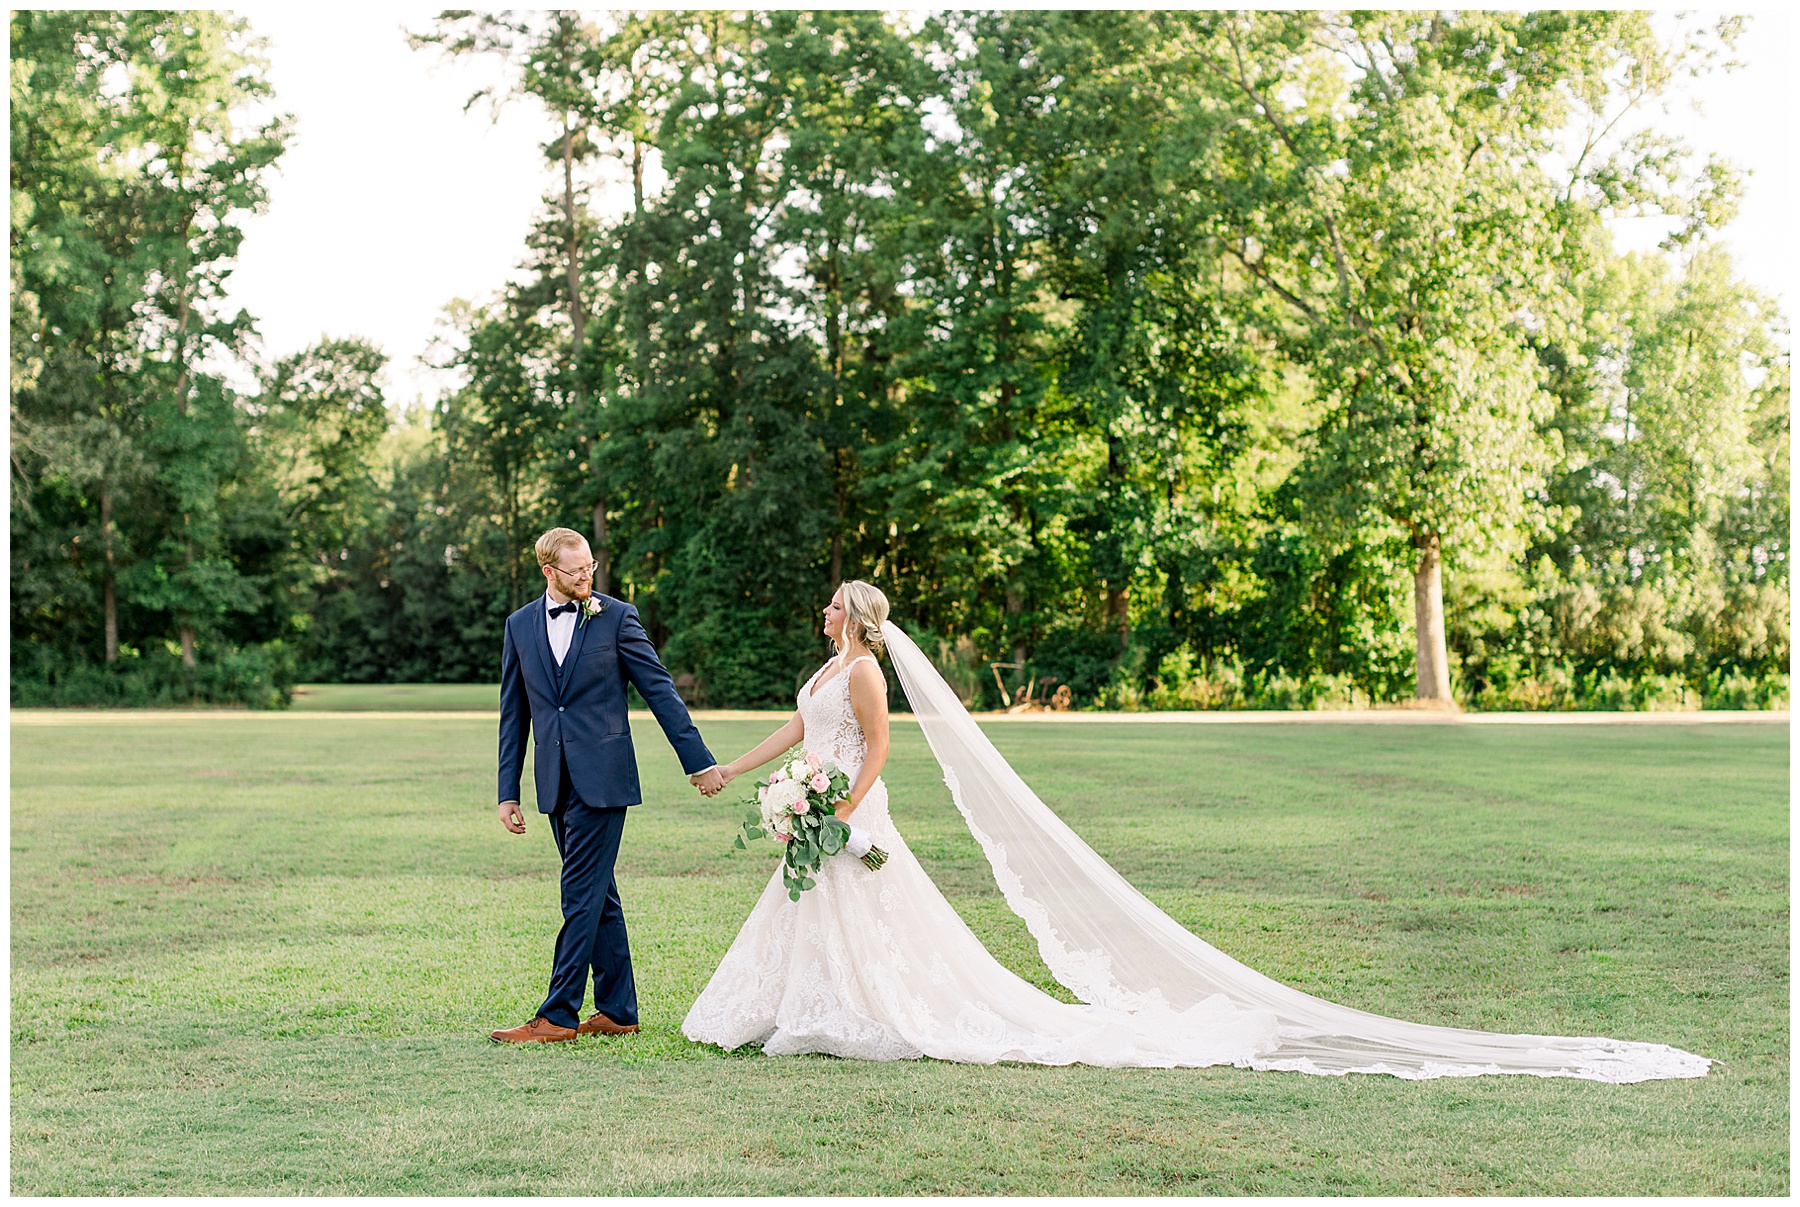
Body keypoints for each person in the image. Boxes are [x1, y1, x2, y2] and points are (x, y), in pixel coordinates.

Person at [683, 580, 1712, 1081]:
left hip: (853, 816)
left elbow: (876, 749)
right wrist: (743, 770)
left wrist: (838, 809)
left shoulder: (867, 671)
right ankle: (800, 1009)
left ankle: (861, 1015)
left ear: (856, 618)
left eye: (833, 605)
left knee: (881, 922)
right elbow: (801, 730)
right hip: (818, 809)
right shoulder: (825, 669)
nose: (823, 611)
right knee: (809, 913)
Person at [490, 527, 726, 1044]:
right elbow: (514, 714)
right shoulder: (519, 625)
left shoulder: (617, 617)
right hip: (554, 781)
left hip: (604, 779)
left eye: (590, 567)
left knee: (578, 894)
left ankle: (558, 1015)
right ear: (549, 571)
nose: (587, 577)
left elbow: (659, 690)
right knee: (598, 895)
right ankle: (618, 1011)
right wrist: (508, 791)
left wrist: (699, 762)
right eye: (576, 570)